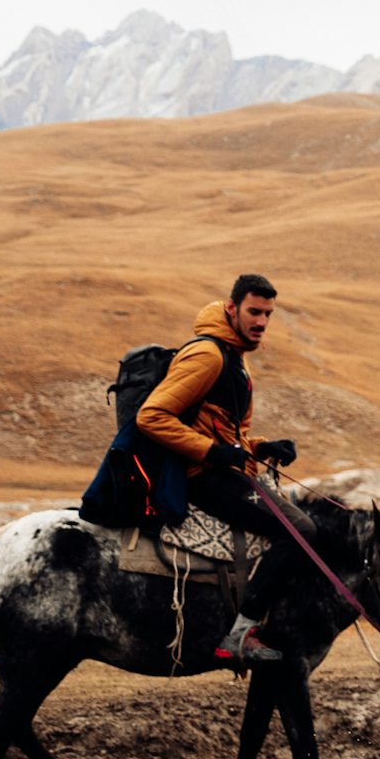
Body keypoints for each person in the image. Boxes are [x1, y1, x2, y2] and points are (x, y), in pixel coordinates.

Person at [133, 273, 302, 662]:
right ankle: (241, 633)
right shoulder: (208, 355)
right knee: (299, 531)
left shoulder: (234, 357)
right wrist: (213, 453)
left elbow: (227, 432)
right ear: (231, 308)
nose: (261, 322)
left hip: (219, 469)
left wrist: (262, 446)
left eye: (268, 314)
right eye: (254, 312)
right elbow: (151, 416)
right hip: (200, 476)